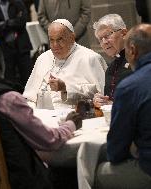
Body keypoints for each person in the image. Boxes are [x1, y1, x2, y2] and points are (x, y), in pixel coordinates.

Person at [0, 43, 82, 188]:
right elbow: (48, 140)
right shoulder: (7, 99)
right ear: (0, 66)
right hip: (13, 181)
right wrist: (70, 124)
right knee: (68, 173)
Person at [95, 23, 151, 189]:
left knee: (96, 172)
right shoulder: (112, 70)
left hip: (148, 168)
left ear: (132, 50)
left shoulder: (130, 86)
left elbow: (116, 151)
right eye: (100, 39)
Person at [23, 19, 107, 109]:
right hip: (42, 115)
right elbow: (29, 97)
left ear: (72, 38)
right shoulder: (43, 58)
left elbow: (101, 95)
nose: (55, 45)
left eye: (60, 39)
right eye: (51, 40)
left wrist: (66, 88)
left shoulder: (90, 58)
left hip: (74, 117)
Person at [0, 0, 33, 88]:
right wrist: (13, 22)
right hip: (5, 49)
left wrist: (4, 23)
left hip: (22, 46)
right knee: (10, 80)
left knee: (29, 78)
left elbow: (22, 22)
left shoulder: (18, 3)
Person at [93, 14, 132, 108]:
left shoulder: (138, 59)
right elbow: (109, 101)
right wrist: (100, 102)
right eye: (100, 39)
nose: (104, 42)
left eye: (107, 36)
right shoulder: (110, 69)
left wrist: (114, 105)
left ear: (124, 33)